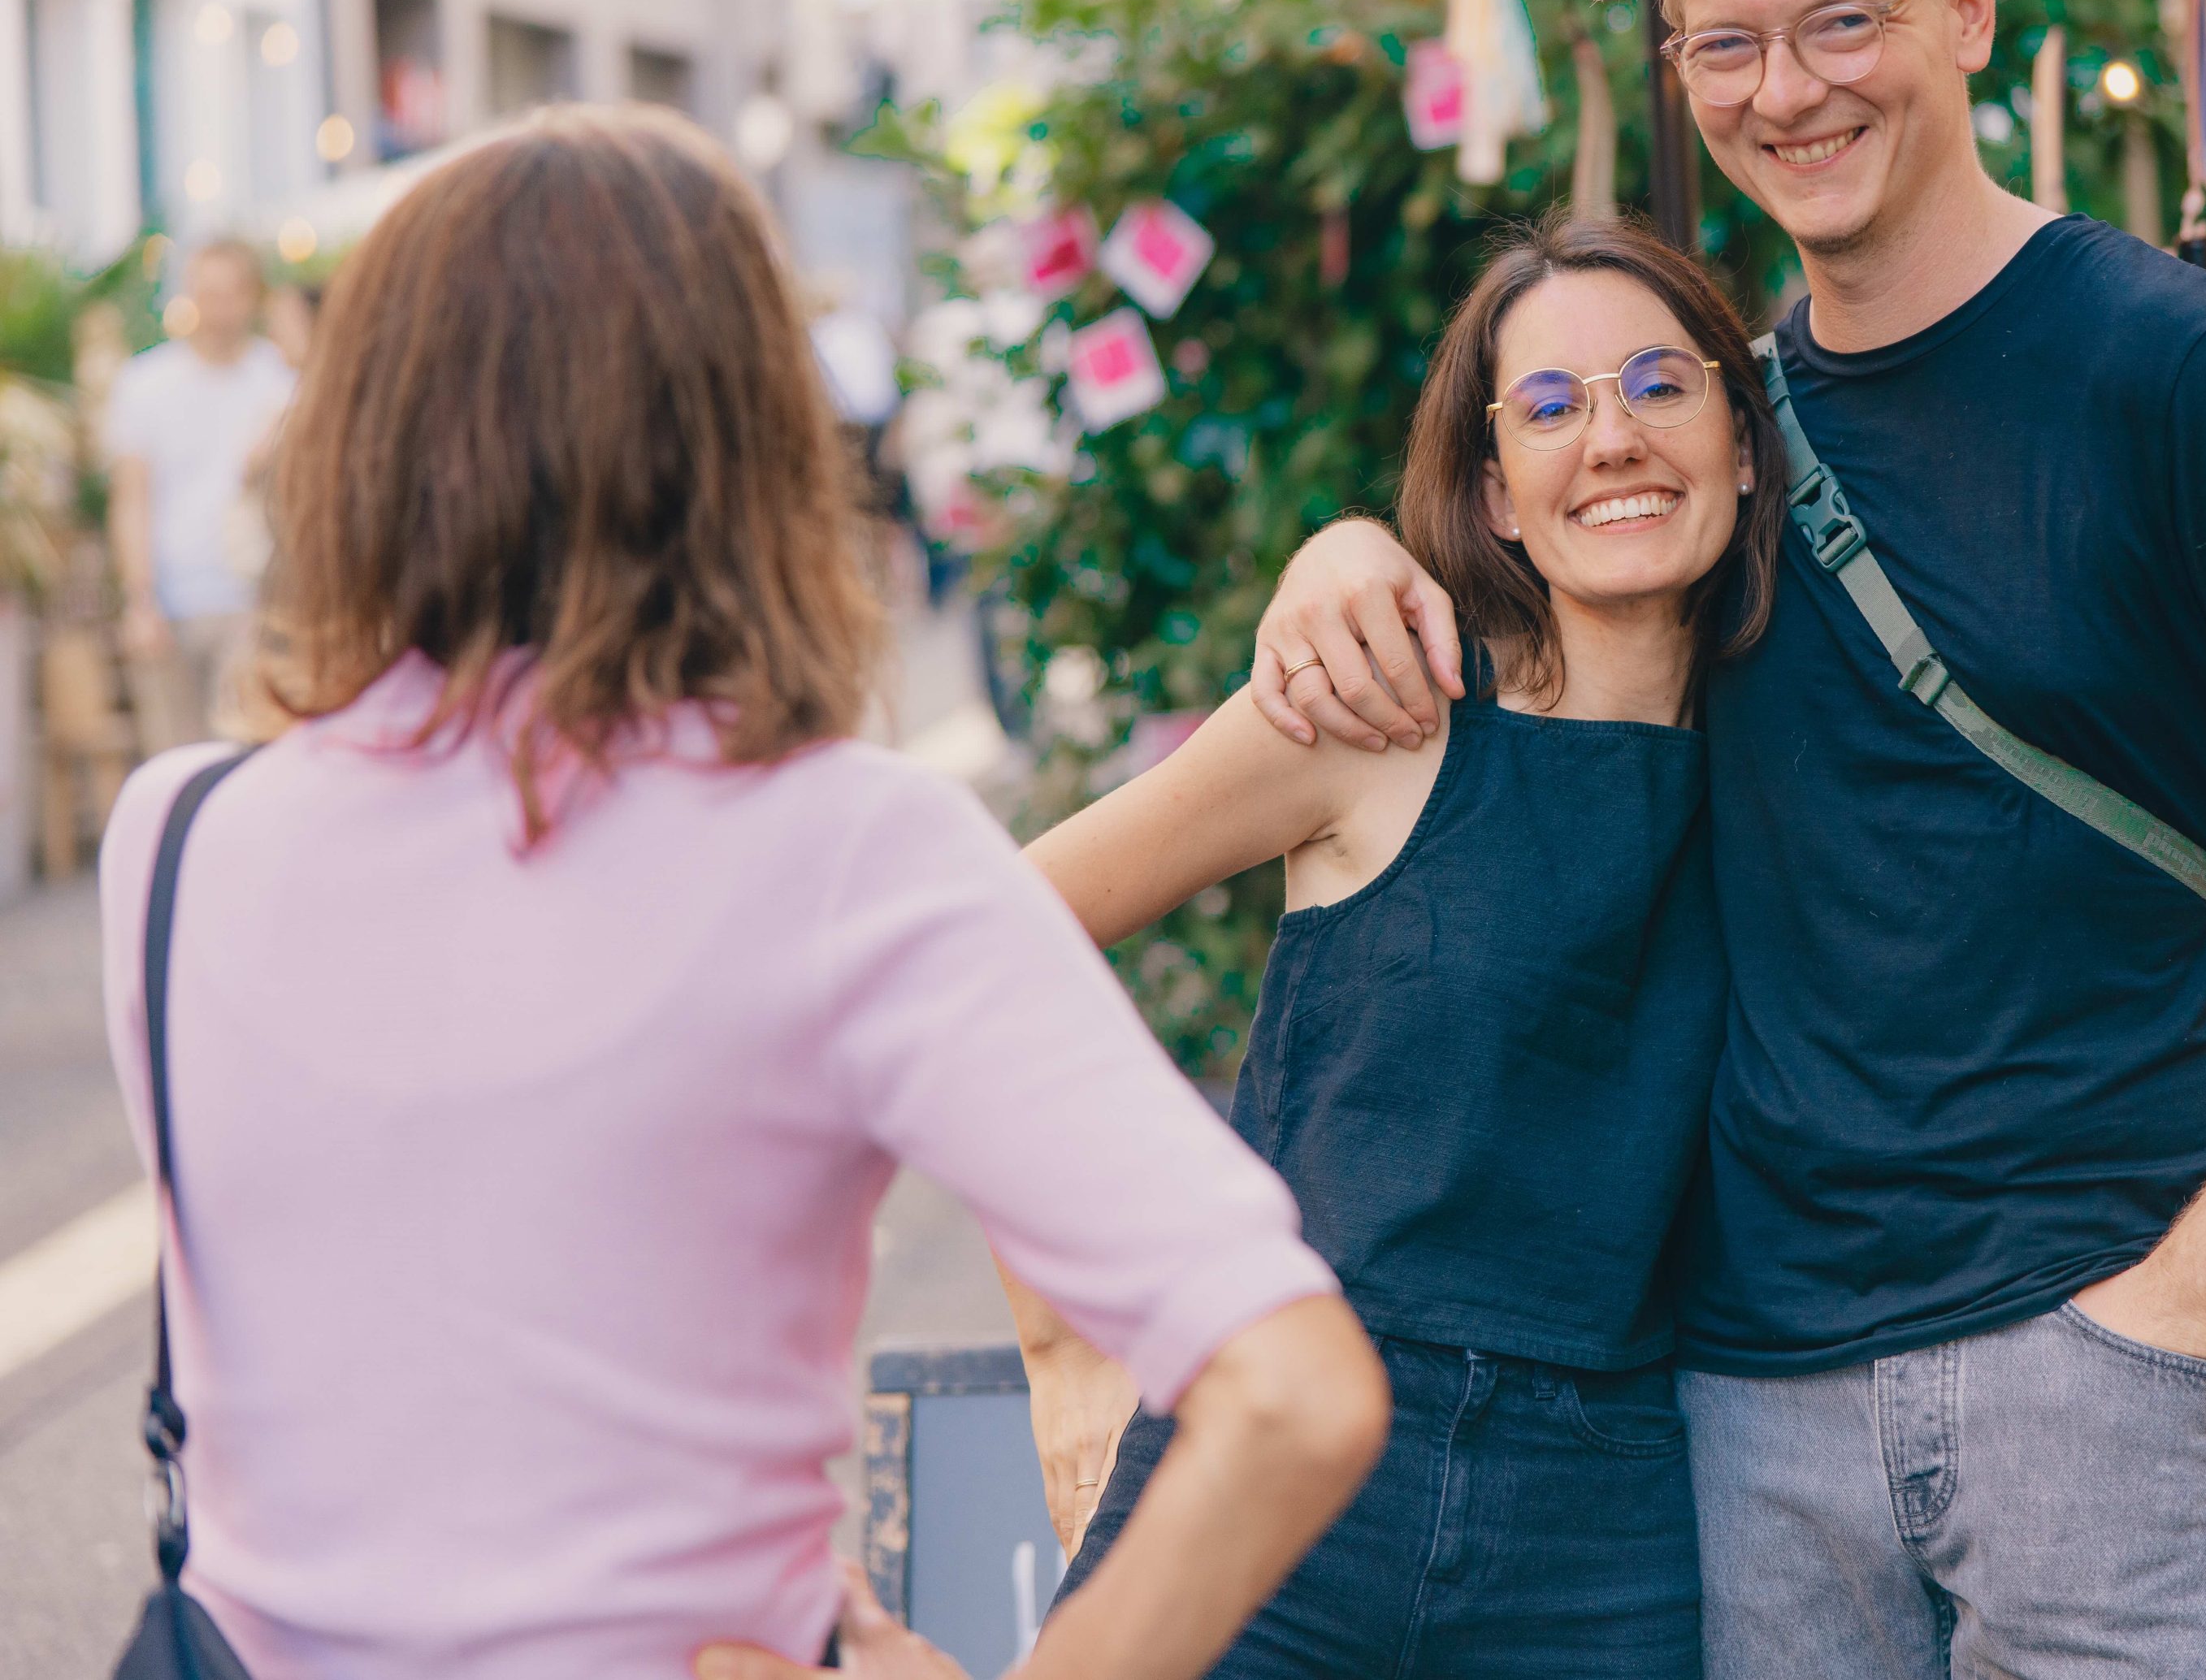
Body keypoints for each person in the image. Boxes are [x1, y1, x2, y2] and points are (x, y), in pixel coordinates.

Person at [1256, 0, 2206, 1678]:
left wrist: (2204, 1292)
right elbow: (1516, 621)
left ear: (1965, 5)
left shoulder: (2169, 365)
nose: (1786, 92)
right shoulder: (1709, 430)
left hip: (2103, 1381)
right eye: (1726, 47)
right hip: (1749, 1407)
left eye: (1840, 19)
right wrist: (1339, 547)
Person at [98, 106, 1385, 1680]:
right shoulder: (846, 849)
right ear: (750, 435)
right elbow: (1297, 1386)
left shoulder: (173, 839)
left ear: (360, 427)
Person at [1010, 214, 2206, 1675]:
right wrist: (1065, 1344)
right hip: (1281, 1451)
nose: (1614, 436)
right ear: (1497, 492)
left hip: (1605, 1517)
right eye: (1552, 405)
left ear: (1750, 440)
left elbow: (2010, 1004)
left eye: (1660, 383)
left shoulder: (1803, 758)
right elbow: (988, 939)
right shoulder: (1386, 718)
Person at [104, 239, 295, 754]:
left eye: (231, 293)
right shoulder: (144, 383)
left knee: (245, 759)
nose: (219, 307)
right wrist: (139, 599)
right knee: (173, 761)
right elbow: (132, 498)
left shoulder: (281, 379)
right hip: (171, 604)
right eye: (207, 293)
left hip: (253, 602)